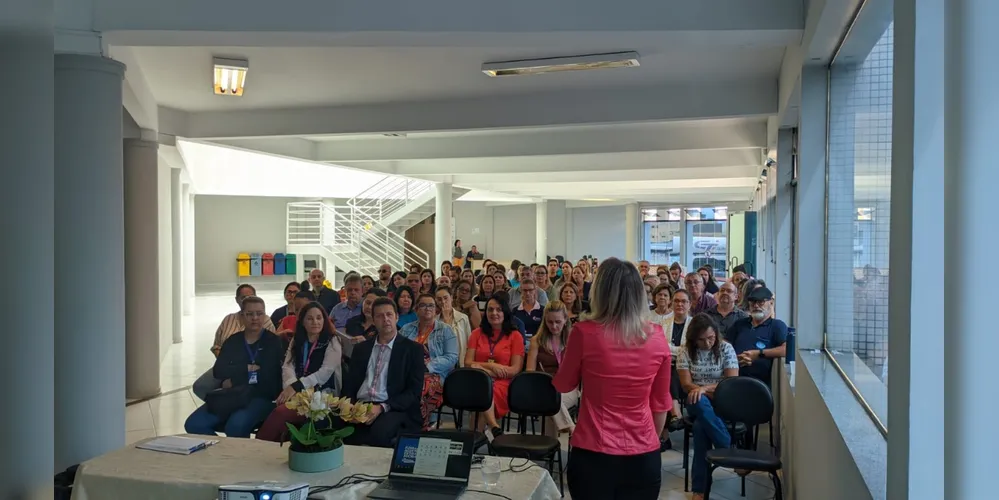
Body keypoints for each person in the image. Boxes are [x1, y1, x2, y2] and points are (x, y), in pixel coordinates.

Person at [553, 258, 672, 499]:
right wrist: (649, 440)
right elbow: (660, 405)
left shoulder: (583, 333)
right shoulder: (658, 337)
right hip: (644, 453)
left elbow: (564, 384)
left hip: (594, 452)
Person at [331, 297, 425, 448]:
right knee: (329, 423)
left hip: (393, 407)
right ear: (373, 320)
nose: (385, 319)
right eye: (380, 316)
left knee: (379, 432)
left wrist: (381, 407)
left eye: (389, 315)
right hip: (360, 405)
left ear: (397, 317)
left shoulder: (413, 350)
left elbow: (413, 392)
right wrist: (349, 406)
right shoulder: (362, 349)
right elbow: (350, 384)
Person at [185, 297, 283, 437]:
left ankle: (239, 457)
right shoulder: (233, 340)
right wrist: (247, 369)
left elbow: (268, 376)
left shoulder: (273, 342)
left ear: (265, 315)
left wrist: (234, 378)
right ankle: (220, 453)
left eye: (259, 313)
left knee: (235, 426)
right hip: (232, 395)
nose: (255, 318)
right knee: (194, 424)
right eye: (249, 314)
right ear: (242, 316)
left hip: (259, 397)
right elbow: (219, 370)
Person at [256, 302, 343, 442]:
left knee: (280, 413)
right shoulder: (298, 340)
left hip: (323, 395)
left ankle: (258, 447)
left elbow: (325, 373)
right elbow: (287, 366)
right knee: (279, 414)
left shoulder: (332, 341)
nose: (315, 322)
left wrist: (296, 387)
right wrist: (292, 387)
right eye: (310, 318)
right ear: (302, 322)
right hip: (298, 392)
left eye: (319, 318)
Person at [677, 314, 740, 500]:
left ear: (716, 334)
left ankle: (699, 490)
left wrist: (704, 388)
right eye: (702, 340)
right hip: (697, 401)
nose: (707, 343)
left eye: (711, 338)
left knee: (700, 428)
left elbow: (731, 382)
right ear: (693, 339)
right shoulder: (684, 351)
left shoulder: (726, 348)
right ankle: (729, 450)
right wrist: (702, 392)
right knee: (698, 401)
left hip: (723, 400)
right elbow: (686, 384)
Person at [193, 284, 276, 401]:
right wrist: (226, 361)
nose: (254, 317)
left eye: (251, 296)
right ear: (237, 300)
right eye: (243, 298)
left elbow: (269, 357)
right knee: (200, 386)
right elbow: (217, 346)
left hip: (253, 370)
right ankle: (219, 404)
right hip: (228, 365)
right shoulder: (229, 319)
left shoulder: (265, 321)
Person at [464, 296, 525, 436]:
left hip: (503, 382)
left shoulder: (515, 336)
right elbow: (468, 363)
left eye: (499, 310)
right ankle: (493, 426)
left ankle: (475, 437)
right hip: (477, 379)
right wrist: (492, 368)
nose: (494, 313)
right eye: (490, 309)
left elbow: (515, 369)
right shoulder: (476, 334)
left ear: (505, 312)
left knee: (485, 390)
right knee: (483, 385)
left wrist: (482, 369)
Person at [399, 294, 459, 429]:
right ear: (416, 309)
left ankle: (421, 424)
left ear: (436, 310)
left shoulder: (445, 330)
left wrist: (427, 366)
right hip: (408, 372)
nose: (427, 308)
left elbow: (451, 357)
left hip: (435, 374)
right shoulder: (406, 329)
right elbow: (397, 352)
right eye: (423, 305)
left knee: (421, 387)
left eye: (431, 305)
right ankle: (400, 420)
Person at [526, 300, 578, 438]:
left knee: (553, 403)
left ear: (566, 320)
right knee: (551, 400)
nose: (554, 326)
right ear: (544, 321)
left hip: (567, 388)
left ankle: (552, 446)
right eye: (550, 322)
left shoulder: (574, 340)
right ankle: (571, 428)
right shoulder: (536, 341)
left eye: (558, 322)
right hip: (543, 387)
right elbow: (529, 372)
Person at [727, 287, 788, 384]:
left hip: (759, 384)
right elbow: (724, 345)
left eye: (761, 302)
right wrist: (734, 359)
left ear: (771, 302)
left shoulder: (776, 326)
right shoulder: (740, 324)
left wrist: (758, 354)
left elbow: (787, 349)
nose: (756, 305)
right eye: (752, 302)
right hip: (733, 378)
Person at [435, 286, 472, 366]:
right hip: (443, 362)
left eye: (445, 298)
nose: (443, 302)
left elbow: (469, 341)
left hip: (461, 361)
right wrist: (446, 319)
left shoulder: (463, 318)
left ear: (451, 298)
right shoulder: (435, 321)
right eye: (439, 299)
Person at [512, 278, 544, 343]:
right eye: (525, 290)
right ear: (521, 291)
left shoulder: (543, 310)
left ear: (535, 290)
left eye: (530, 290)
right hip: (520, 344)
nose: (528, 293)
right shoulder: (515, 311)